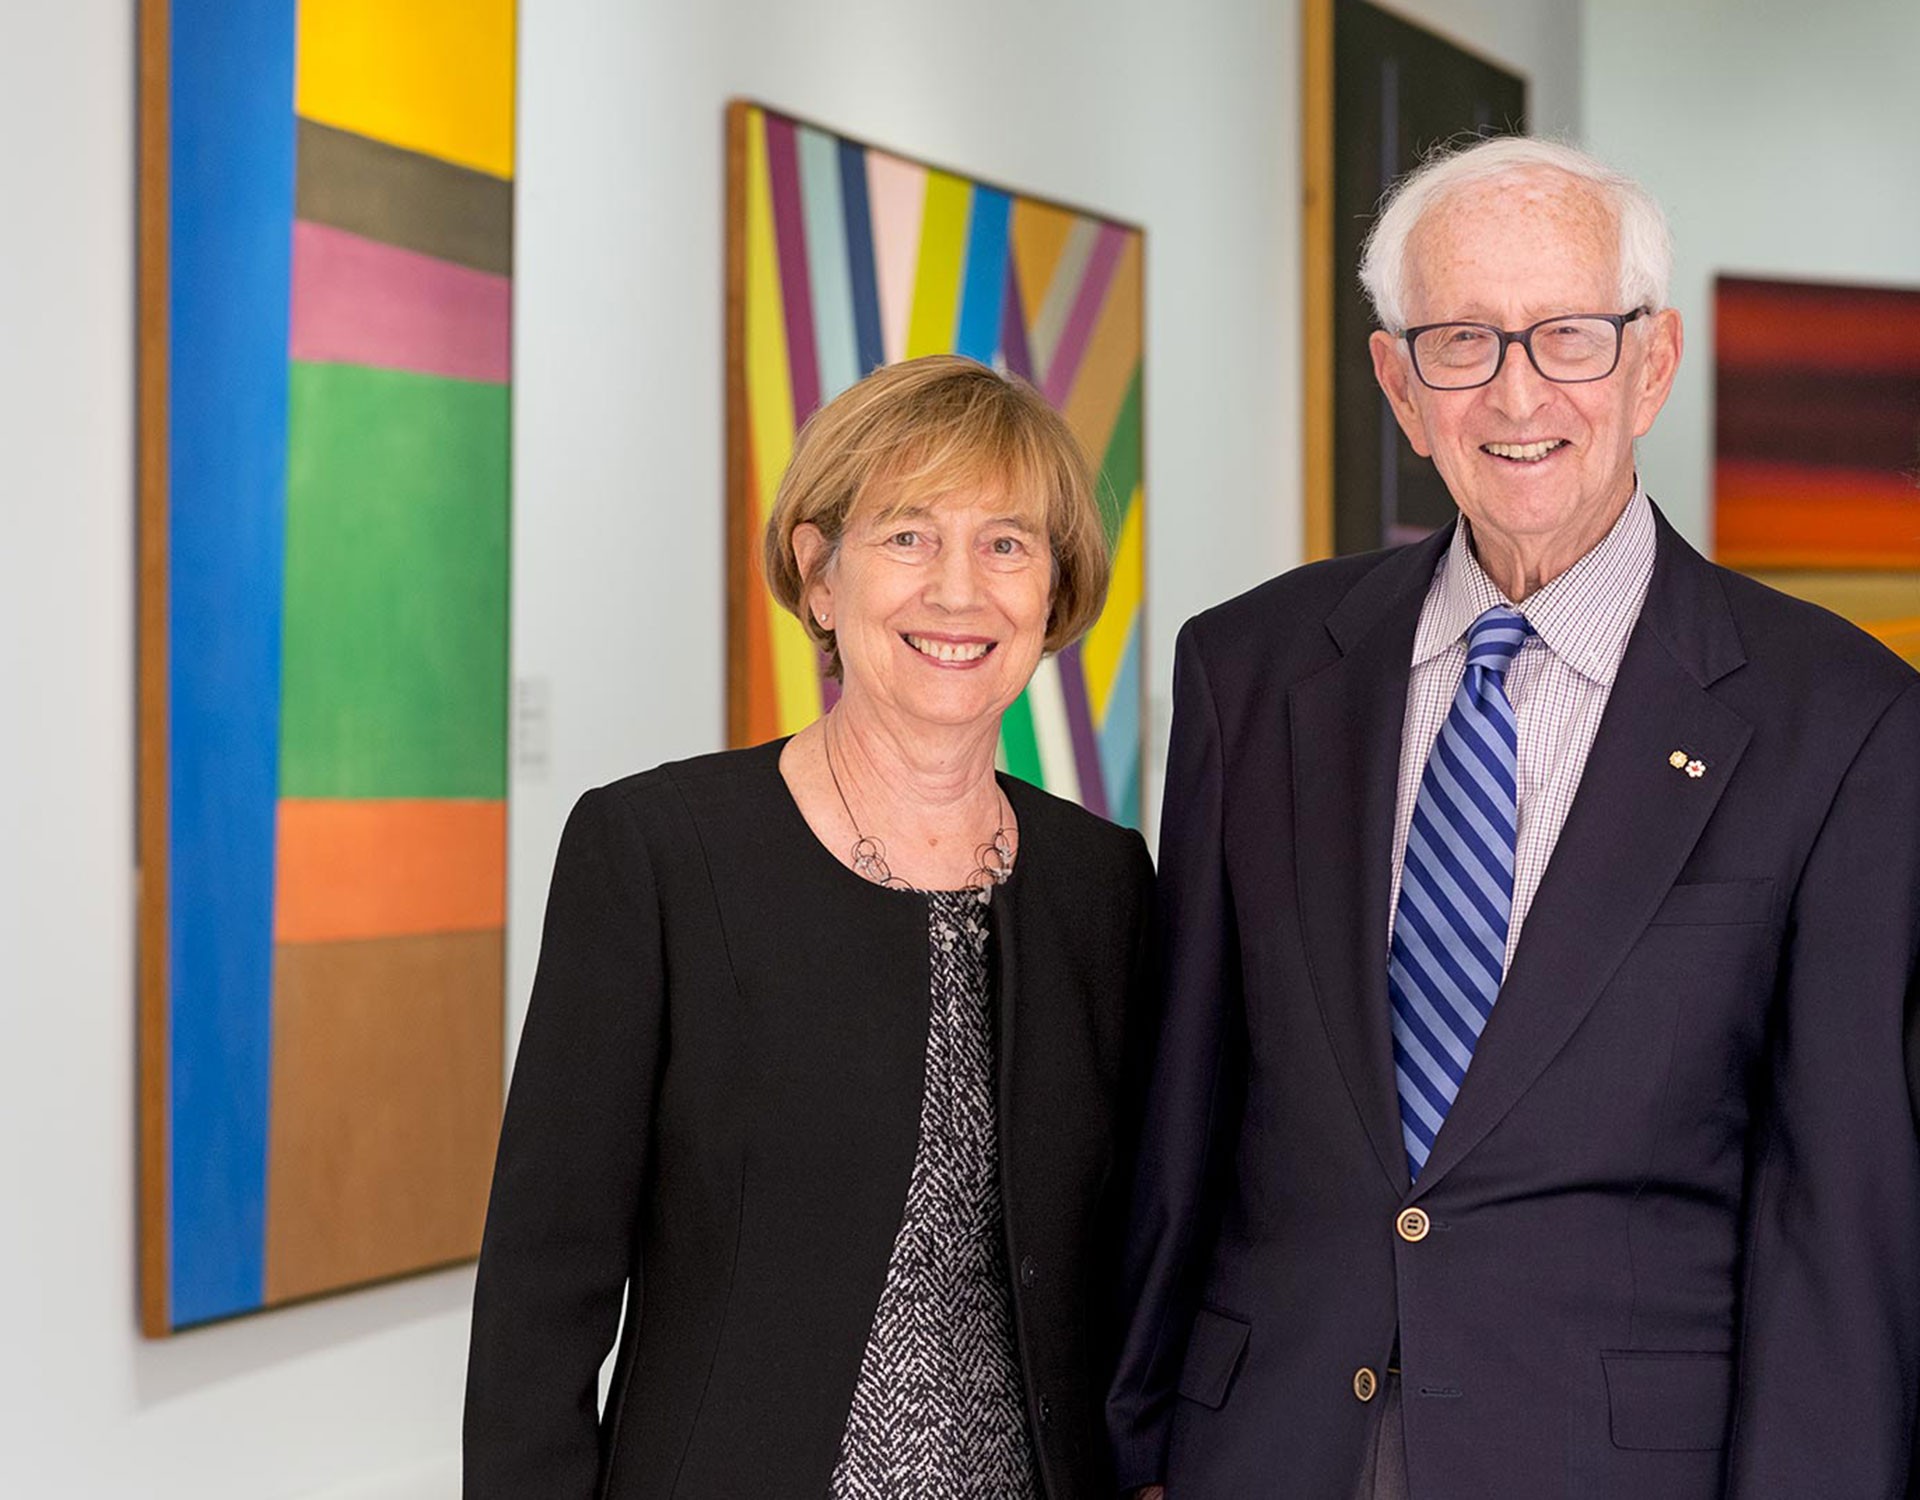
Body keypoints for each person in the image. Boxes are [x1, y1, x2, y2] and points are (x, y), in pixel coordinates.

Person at [1109, 136, 1920, 1499]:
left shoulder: (1841, 721)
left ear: (1651, 365)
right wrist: (1135, 1443)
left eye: (1567, 337)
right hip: (1266, 1445)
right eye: (1462, 342)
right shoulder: (1248, 670)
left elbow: (1837, 1211)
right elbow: (1186, 1112)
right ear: (1398, 385)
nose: (1516, 390)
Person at [463, 355, 1152, 1499]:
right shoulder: (659, 854)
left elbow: (1136, 1258)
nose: (959, 590)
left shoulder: (1105, 884)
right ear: (818, 572)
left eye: (1007, 543)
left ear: (1053, 592)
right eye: (908, 537)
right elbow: (543, 1292)